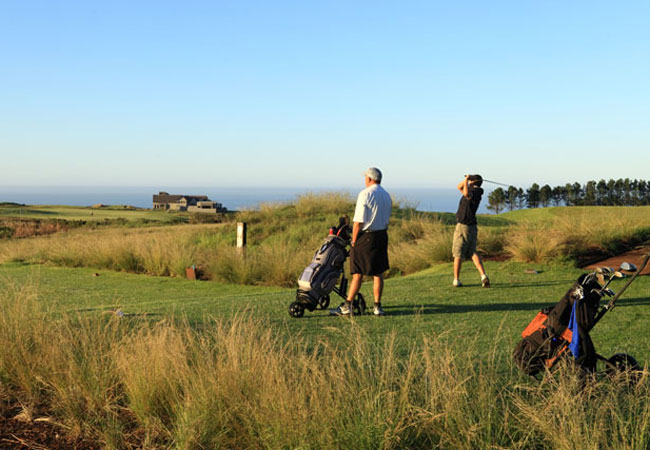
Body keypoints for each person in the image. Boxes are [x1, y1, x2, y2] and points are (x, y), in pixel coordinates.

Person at [332, 167, 392, 316]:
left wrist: (353, 240)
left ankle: (348, 305)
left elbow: (358, 222)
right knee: (378, 273)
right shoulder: (386, 195)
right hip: (382, 235)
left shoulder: (365, 194)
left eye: (365, 177)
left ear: (370, 179)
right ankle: (377, 307)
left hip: (366, 237)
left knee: (358, 272)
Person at [452, 174, 490, 288]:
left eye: (470, 181)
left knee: (458, 253)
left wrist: (467, 180)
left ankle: (456, 280)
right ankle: (483, 276)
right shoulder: (476, 190)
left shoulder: (475, 191)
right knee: (472, 252)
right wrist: (467, 180)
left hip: (464, 226)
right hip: (472, 226)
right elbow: (459, 187)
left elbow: (466, 193)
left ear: (473, 183)